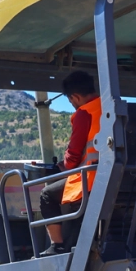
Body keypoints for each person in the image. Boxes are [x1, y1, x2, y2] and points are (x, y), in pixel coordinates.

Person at [36, 70, 103, 255]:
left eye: (71, 101)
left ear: (75, 97)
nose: (73, 105)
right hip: (121, 177)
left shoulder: (84, 113)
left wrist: (63, 166)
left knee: (47, 195)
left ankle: (56, 246)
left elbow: (73, 157)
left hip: (92, 180)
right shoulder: (111, 107)